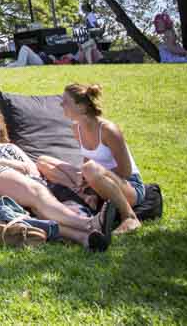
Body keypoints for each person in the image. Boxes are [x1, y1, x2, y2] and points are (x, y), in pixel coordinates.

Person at [0, 102, 112, 251]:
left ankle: (85, 238)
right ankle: (89, 223)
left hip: (29, 180)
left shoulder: (11, 146)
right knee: (36, 192)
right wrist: (10, 163)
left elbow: (32, 168)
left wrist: (28, 172)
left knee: (40, 207)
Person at [39, 83, 145, 236]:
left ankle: (129, 217)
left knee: (90, 169)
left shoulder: (108, 130)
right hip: (97, 178)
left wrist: (91, 176)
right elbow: (87, 159)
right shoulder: (77, 129)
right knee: (43, 161)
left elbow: (126, 171)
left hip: (129, 186)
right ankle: (87, 197)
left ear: (81, 107)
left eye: (66, 102)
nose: (61, 104)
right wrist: (86, 181)